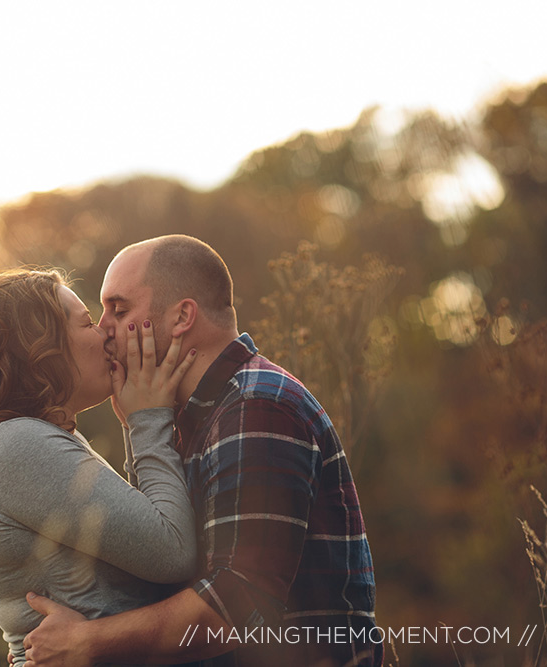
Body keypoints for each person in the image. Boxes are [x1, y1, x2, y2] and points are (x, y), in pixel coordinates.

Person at [22, 235, 383, 667]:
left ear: (182, 317)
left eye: (119, 310)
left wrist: (89, 641)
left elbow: (239, 604)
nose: (104, 329)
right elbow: (157, 570)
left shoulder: (256, 405)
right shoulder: (191, 418)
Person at [0, 268, 200, 667]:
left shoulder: (20, 442)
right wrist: (148, 420)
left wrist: (138, 421)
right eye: (89, 323)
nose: (106, 335)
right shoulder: (17, 446)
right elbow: (174, 551)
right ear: (39, 349)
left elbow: (143, 540)